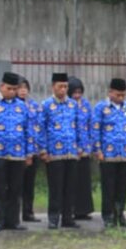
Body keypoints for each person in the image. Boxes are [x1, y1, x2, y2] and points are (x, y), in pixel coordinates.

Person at [0, 71, 33, 231]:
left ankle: (13, 221)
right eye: (9, 89)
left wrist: (29, 153)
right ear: (1, 86)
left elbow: (28, 131)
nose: (12, 92)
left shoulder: (22, 106)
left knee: (15, 189)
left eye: (15, 89)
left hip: (18, 155)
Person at [94, 78, 126, 228]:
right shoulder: (101, 108)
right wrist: (98, 150)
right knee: (109, 187)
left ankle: (120, 214)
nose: (121, 98)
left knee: (122, 187)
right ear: (110, 92)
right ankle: (108, 216)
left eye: (123, 95)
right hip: (108, 154)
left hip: (124, 153)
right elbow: (96, 130)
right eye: (118, 95)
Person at [40, 72, 81, 229]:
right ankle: (53, 217)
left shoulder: (73, 105)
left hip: (71, 152)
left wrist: (80, 147)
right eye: (60, 86)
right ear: (53, 87)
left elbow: (78, 127)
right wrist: (43, 150)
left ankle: (68, 217)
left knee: (70, 187)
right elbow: (41, 129)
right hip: (54, 154)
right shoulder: (46, 105)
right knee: (56, 187)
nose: (63, 90)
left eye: (65, 86)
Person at [68, 77, 96, 220]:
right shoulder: (67, 106)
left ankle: (83, 210)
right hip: (71, 149)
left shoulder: (86, 105)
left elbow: (91, 125)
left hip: (85, 149)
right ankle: (70, 210)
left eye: (79, 92)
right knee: (71, 181)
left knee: (84, 181)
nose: (77, 95)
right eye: (74, 92)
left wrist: (90, 145)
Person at [18, 79, 43, 222]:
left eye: (25, 88)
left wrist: (39, 148)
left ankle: (28, 212)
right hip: (16, 151)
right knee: (15, 185)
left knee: (29, 183)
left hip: (32, 150)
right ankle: (13, 213)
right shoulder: (12, 105)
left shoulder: (33, 106)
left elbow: (39, 127)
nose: (23, 90)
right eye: (20, 88)